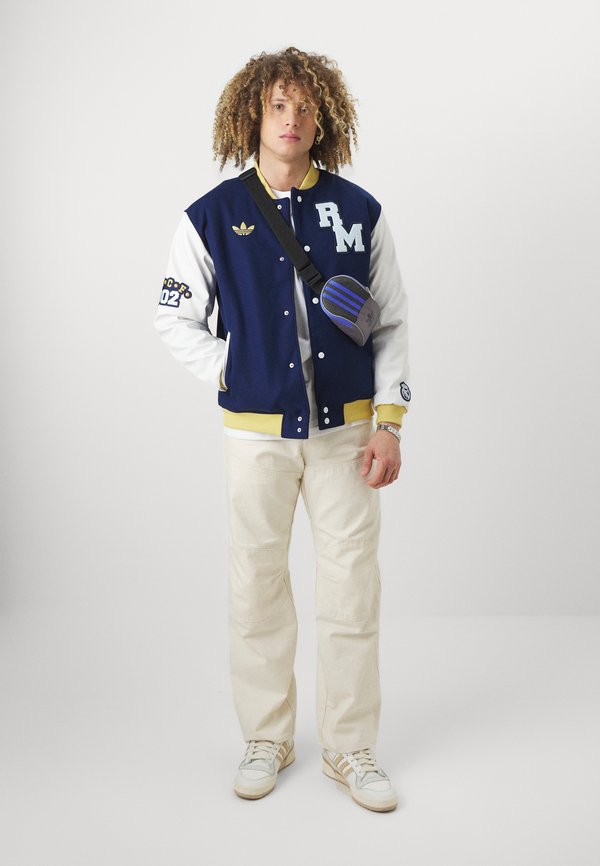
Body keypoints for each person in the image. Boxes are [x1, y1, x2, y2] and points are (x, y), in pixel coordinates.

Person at [154, 45, 411, 813]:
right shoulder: (210, 215)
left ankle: (350, 747)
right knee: (256, 587)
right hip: (256, 436)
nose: (290, 119)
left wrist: (390, 420)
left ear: (322, 118)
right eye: (277, 106)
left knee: (351, 591)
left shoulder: (359, 211)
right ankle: (267, 737)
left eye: (303, 106)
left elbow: (392, 321)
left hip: (347, 435)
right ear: (253, 115)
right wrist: (232, 369)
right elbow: (172, 316)